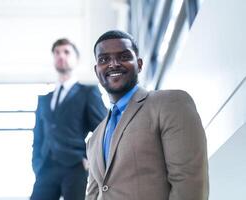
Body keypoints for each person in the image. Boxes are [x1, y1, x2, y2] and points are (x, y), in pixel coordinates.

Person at [85, 30, 209, 200]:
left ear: (140, 64)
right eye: (104, 59)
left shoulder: (170, 103)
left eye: (123, 57)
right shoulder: (95, 137)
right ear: (96, 70)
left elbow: (189, 183)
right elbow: (93, 195)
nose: (113, 64)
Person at [31, 38, 107, 200]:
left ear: (76, 59)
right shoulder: (45, 100)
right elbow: (38, 136)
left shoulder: (87, 92)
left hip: (75, 166)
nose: (61, 56)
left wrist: (89, 159)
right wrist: (37, 163)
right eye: (57, 53)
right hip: (45, 167)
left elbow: (103, 129)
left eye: (66, 52)